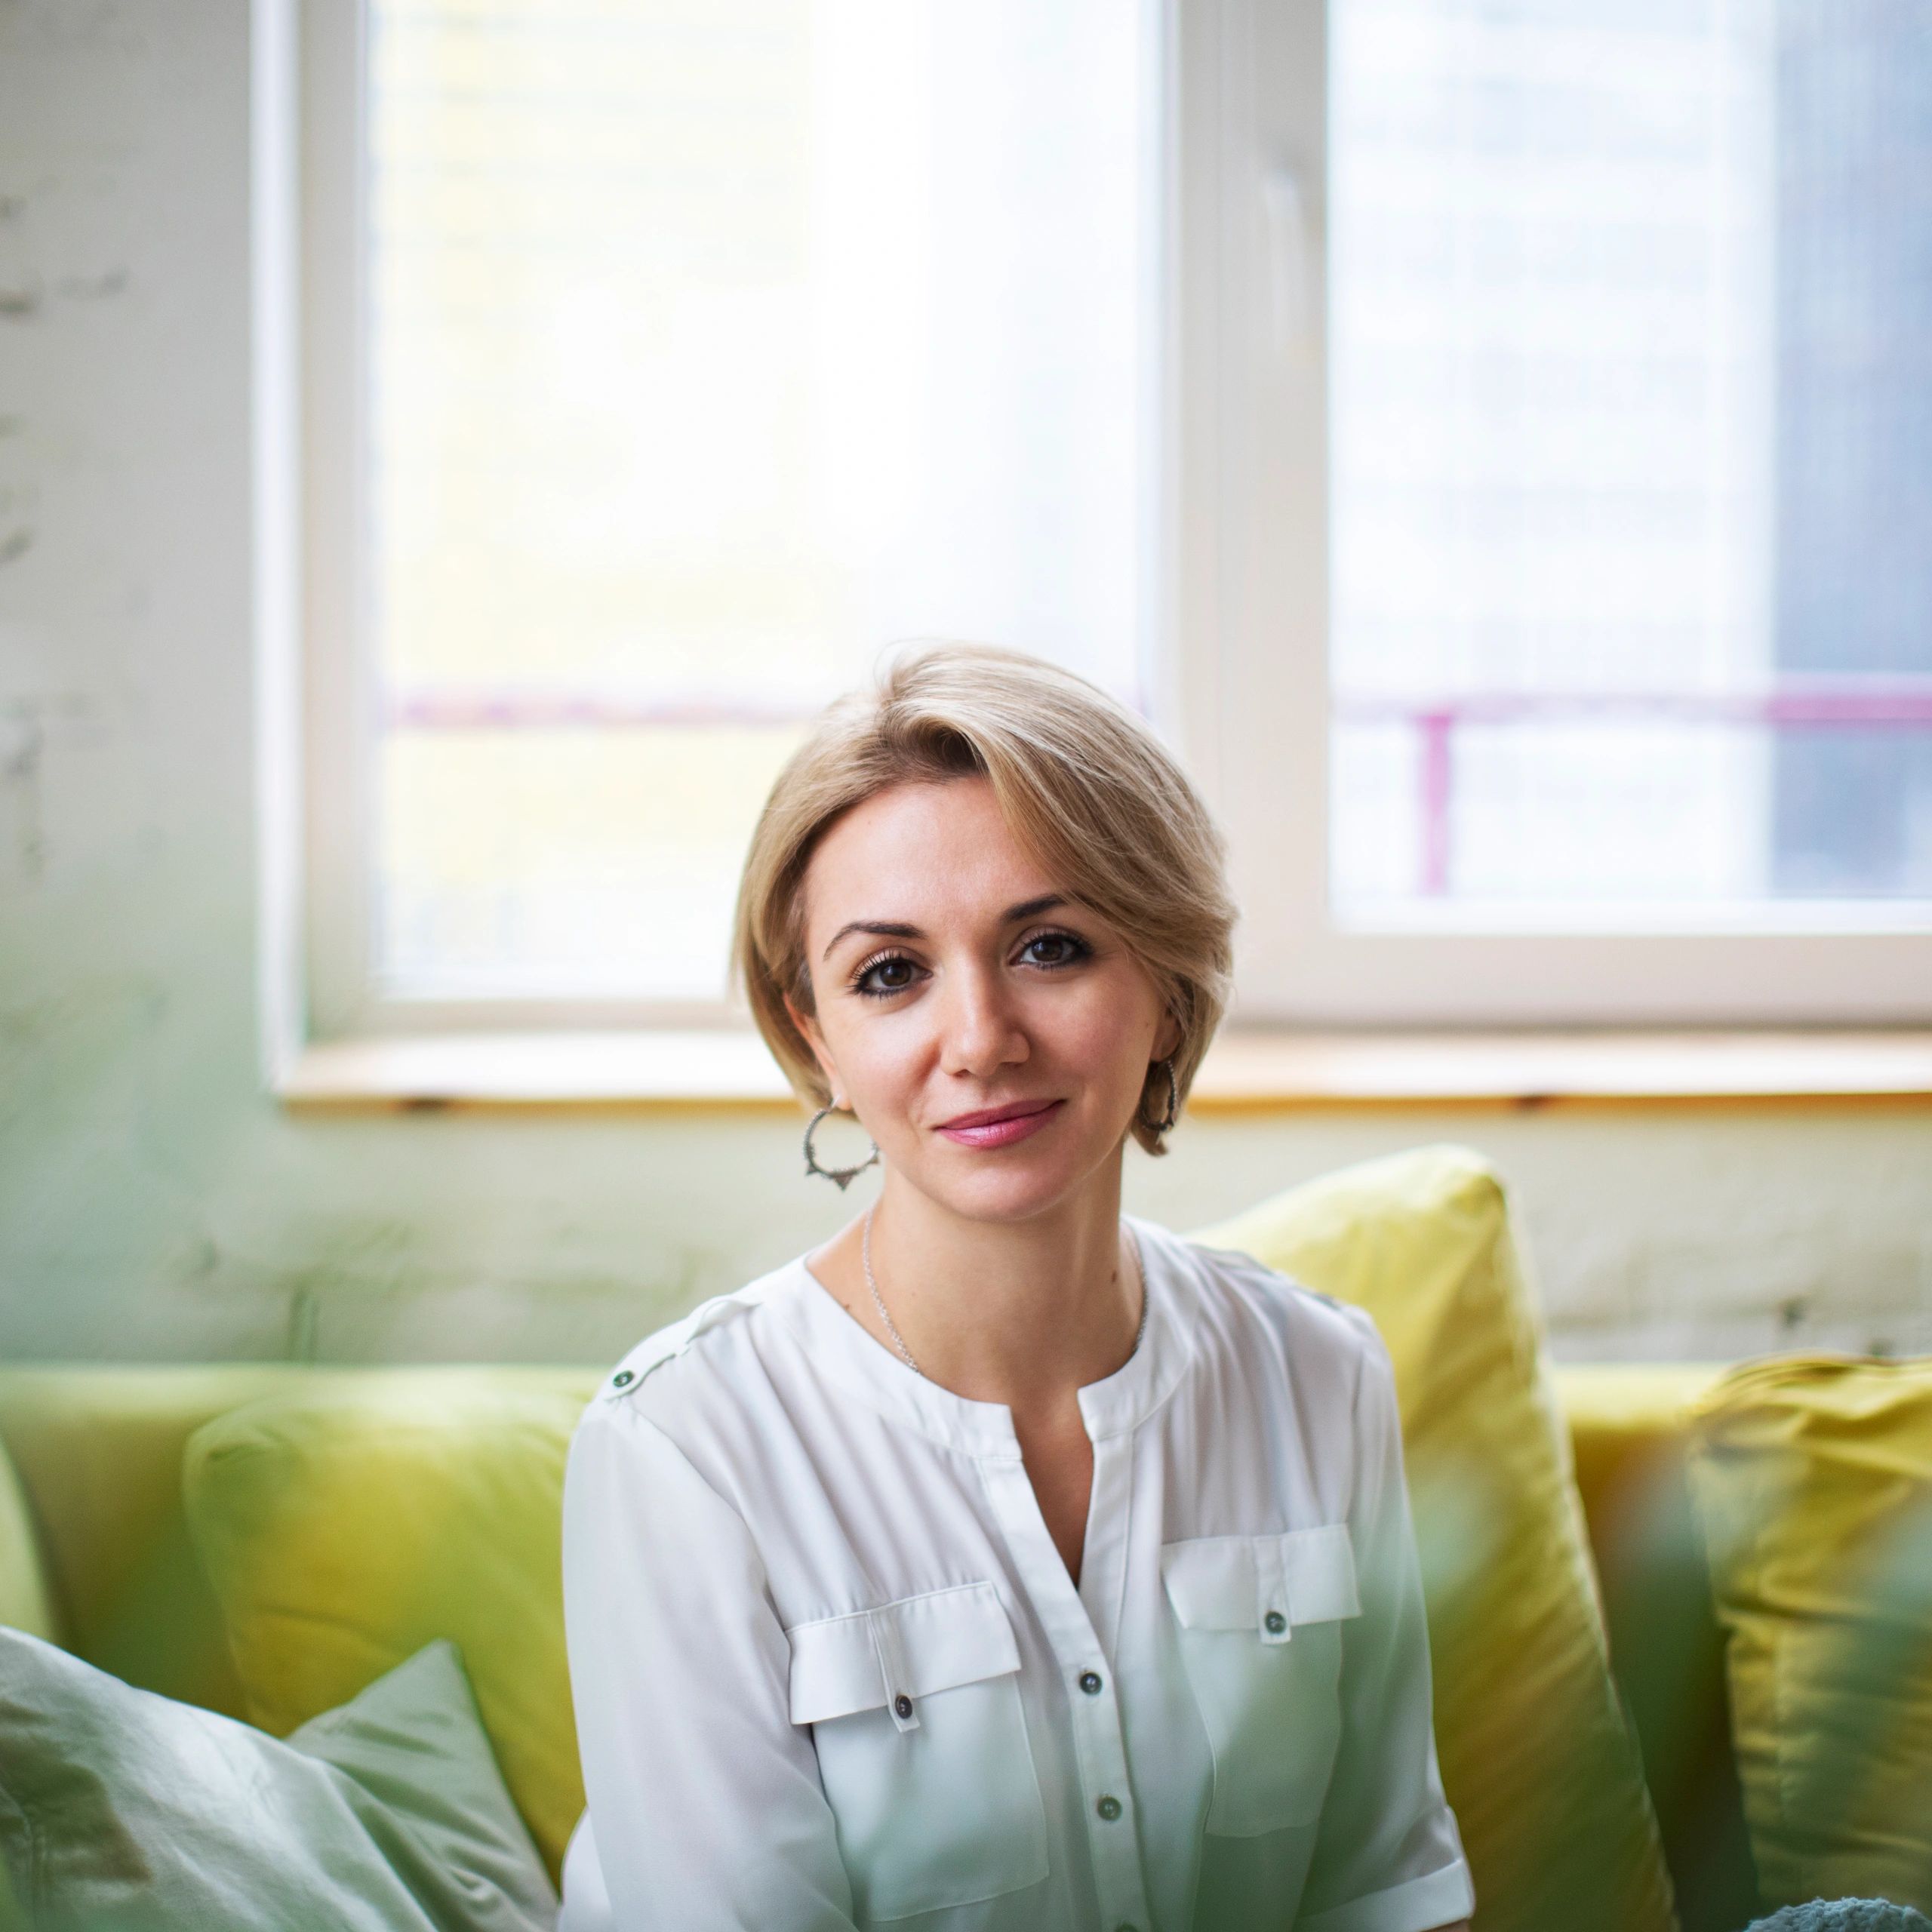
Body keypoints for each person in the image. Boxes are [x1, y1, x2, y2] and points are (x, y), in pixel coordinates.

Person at [557, 644, 1475, 1932]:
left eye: (1049, 947)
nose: (981, 1039)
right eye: (891, 974)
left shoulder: (1321, 1376)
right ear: (814, 1031)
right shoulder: (679, 1449)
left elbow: (1382, 1898)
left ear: (1165, 980)